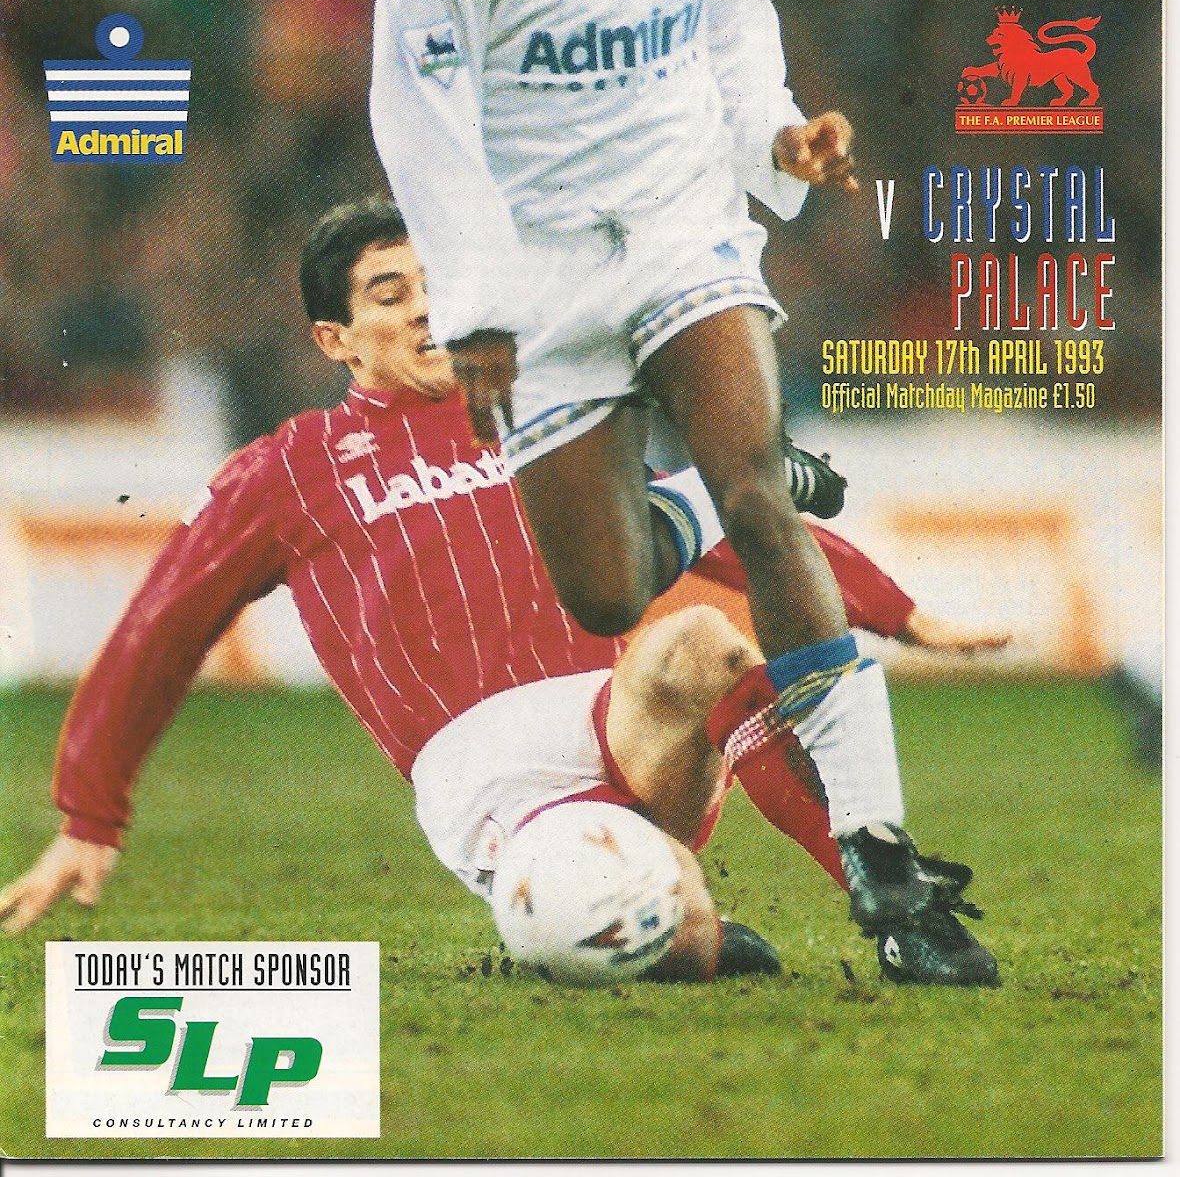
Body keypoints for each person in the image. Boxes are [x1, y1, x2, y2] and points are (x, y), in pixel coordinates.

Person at [1, 200, 1000, 984]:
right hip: (489, 787)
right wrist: (92, 813)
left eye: (435, 283)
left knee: (700, 639)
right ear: (335, 340)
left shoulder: (534, 419)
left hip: (614, 721)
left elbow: (713, 522)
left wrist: (892, 609)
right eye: (390, 293)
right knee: (687, 941)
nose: (424, 307)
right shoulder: (287, 471)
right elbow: (160, 628)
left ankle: (902, 912)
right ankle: (664, 917)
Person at [370, 0, 945, 938]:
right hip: (542, 270)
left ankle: (881, 853)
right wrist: (476, 305)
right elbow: (417, 111)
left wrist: (782, 140)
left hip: (685, 233)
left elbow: (734, 37)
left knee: (760, 499)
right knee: (607, 596)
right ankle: (686, 504)